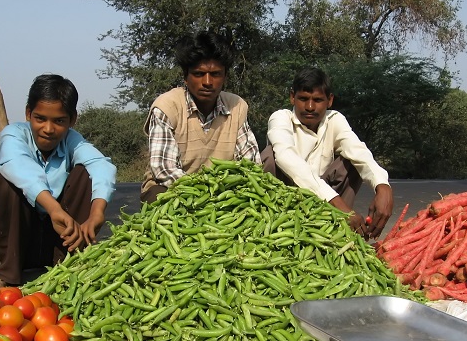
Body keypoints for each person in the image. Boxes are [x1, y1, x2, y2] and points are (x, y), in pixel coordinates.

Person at [0, 74, 117, 286]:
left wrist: (97, 212)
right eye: (40, 118)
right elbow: (18, 165)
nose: (48, 129)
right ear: (28, 113)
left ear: (72, 120)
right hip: (19, 241)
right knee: (5, 177)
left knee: (85, 173)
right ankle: (9, 273)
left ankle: (74, 263)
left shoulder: (72, 140)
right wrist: (54, 209)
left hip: (60, 239)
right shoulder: (14, 135)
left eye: (59, 121)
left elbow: (102, 165)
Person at [262, 66, 393, 239]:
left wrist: (383, 186)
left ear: (329, 100)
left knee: (352, 161)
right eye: (303, 99)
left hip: (325, 208)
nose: (309, 106)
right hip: (283, 201)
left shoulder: (334, 120)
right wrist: (339, 205)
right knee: (271, 157)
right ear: (292, 97)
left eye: (317, 100)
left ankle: (336, 233)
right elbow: (287, 158)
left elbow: (358, 151)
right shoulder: (281, 118)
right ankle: (267, 223)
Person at [140, 30, 261, 203]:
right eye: (198, 74)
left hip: (223, 191)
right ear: (185, 77)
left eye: (215, 74)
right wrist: (204, 196)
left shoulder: (237, 106)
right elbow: (164, 170)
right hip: (172, 188)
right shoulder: (167, 106)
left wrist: (226, 193)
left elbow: (251, 164)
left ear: (225, 76)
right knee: (163, 201)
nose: (207, 82)